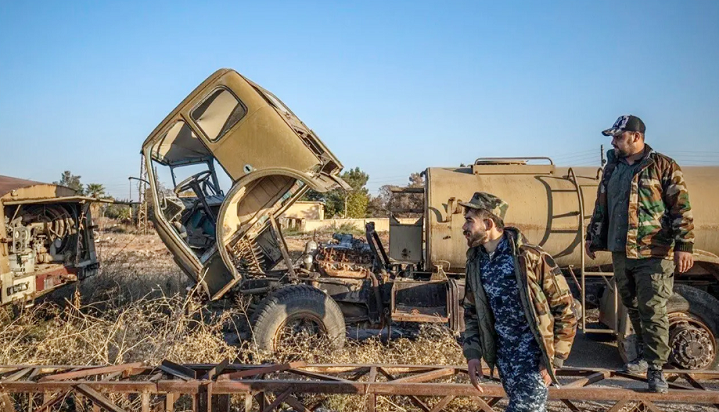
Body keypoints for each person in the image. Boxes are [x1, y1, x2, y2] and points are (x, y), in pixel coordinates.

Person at [585, 114, 694, 393]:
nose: (614, 141)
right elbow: (602, 205)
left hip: (653, 253)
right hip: (622, 250)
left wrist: (684, 246)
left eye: (618, 137)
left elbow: (680, 208)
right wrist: (593, 237)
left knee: (654, 309)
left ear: (636, 137)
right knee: (632, 305)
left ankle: (657, 369)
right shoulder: (613, 167)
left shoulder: (663, 166)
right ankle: (645, 358)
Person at [461, 192, 577, 412]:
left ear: (488, 223)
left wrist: (556, 358)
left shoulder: (530, 257)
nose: (464, 228)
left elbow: (565, 307)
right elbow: (473, 312)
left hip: (534, 359)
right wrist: (473, 355)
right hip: (505, 359)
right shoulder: (476, 262)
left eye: (469, 220)